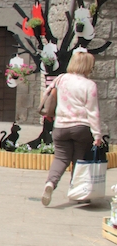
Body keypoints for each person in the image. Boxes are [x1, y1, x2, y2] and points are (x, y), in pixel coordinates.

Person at [41, 49, 102, 206]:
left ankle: (50, 184)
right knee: (79, 159)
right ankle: (76, 192)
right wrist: (97, 135)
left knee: (61, 158)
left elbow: (47, 93)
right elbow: (93, 112)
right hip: (81, 127)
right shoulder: (90, 85)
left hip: (60, 126)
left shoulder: (61, 79)